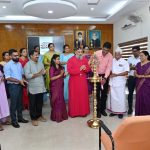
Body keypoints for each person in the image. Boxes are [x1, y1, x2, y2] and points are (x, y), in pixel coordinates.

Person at [4, 49, 29, 128]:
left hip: (20, 85)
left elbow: (21, 74)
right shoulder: (7, 65)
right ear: (10, 56)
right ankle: (14, 121)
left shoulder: (19, 64)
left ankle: (20, 118)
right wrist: (19, 81)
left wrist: (23, 80)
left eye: (17, 55)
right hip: (13, 86)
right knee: (14, 104)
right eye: (15, 56)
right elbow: (8, 78)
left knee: (19, 103)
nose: (17, 57)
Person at [24, 50, 47, 126]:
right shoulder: (28, 64)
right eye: (36, 55)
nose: (37, 56)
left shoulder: (40, 63)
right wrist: (39, 73)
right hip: (33, 88)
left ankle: (39, 116)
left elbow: (43, 73)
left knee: (39, 103)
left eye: (38, 55)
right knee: (32, 104)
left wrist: (43, 73)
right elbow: (28, 76)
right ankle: (33, 118)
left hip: (40, 86)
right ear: (31, 56)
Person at [67, 48, 90, 117]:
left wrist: (85, 68)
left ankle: (83, 112)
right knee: (74, 96)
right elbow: (69, 70)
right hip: (74, 81)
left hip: (82, 81)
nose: (80, 53)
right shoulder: (70, 60)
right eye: (78, 52)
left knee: (83, 96)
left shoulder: (84, 59)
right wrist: (79, 69)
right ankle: (74, 113)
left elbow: (88, 69)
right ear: (75, 52)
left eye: (81, 52)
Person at [107, 48, 129, 119]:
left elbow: (126, 72)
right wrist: (110, 73)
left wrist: (116, 75)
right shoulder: (112, 61)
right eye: (116, 54)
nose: (117, 55)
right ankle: (113, 111)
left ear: (121, 54)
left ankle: (121, 112)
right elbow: (108, 69)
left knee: (120, 98)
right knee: (113, 97)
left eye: (118, 54)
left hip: (120, 82)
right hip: (113, 82)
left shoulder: (124, 62)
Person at [94, 42, 113, 117]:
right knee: (97, 94)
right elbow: (94, 65)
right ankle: (97, 110)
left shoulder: (110, 56)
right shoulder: (96, 53)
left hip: (105, 75)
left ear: (109, 50)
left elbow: (109, 67)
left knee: (104, 94)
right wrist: (97, 76)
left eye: (107, 50)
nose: (105, 52)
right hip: (96, 74)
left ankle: (102, 109)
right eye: (104, 50)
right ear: (102, 48)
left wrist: (105, 78)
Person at [49, 54, 68, 122]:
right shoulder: (52, 68)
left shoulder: (61, 67)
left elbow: (63, 77)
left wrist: (64, 75)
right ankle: (56, 117)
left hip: (60, 85)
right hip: (54, 86)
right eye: (57, 59)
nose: (58, 60)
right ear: (54, 60)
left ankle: (62, 116)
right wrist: (60, 75)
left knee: (61, 100)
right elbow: (51, 78)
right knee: (56, 100)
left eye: (59, 59)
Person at [135, 51, 150, 116]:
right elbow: (135, 72)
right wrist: (137, 75)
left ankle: (146, 116)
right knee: (139, 99)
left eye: (142, 56)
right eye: (140, 56)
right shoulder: (138, 64)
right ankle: (138, 115)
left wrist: (143, 76)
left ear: (146, 56)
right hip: (138, 84)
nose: (140, 57)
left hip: (147, 84)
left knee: (146, 100)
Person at [127, 46, 140, 115]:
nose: (134, 52)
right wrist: (130, 67)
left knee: (139, 93)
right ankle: (130, 108)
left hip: (139, 78)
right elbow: (126, 68)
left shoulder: (141, 58)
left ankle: (138, 108)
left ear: (139, 51)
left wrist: (135, 68)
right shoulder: (129, 59)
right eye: (133, 51)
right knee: (130, 93)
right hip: (131, 78)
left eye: (135, 51)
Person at [0, 65, 10, 131]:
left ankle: (3, 120)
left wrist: (3, 77)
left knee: (2, 104)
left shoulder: (0, 66)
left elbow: (3, 75)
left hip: (1, 86)